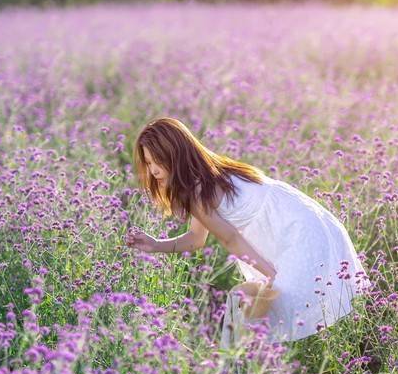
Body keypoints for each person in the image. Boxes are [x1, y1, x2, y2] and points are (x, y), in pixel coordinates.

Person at [124, 117, 372, 349]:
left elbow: (230, 238)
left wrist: (269, 272)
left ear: (176, 155)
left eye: (159, 160)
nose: (154, 170)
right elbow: (196, 239)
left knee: (267, 317)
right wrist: (156, 244)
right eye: (148, 163)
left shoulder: (197, 191)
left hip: (297, 231)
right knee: (259, 313)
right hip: (306, 220)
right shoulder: (210, 174)